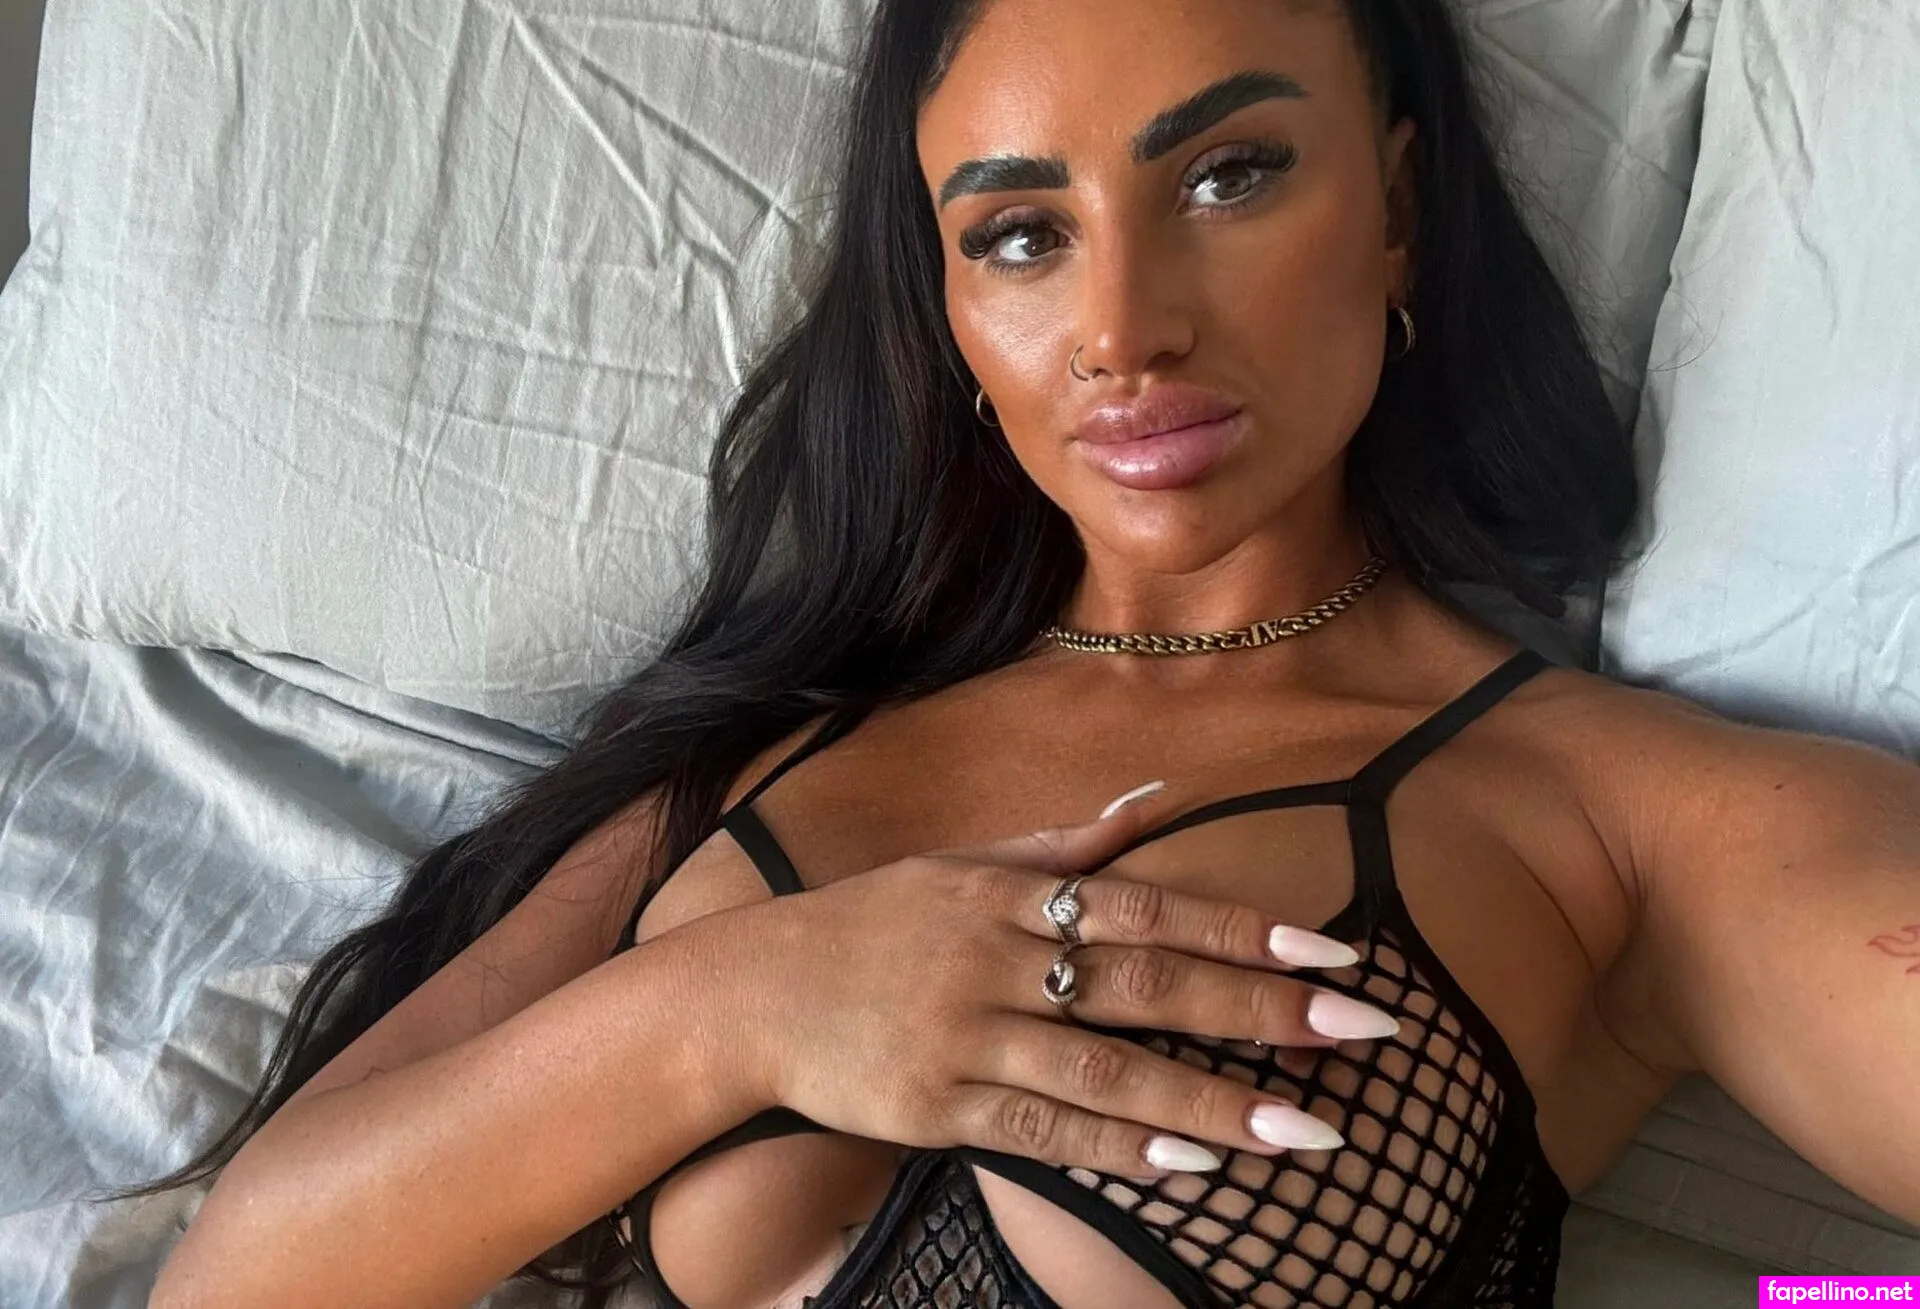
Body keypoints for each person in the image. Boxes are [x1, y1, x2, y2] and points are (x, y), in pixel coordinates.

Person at [132, 1, 1920, 1307]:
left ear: (1395, 209)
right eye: (1020, 235)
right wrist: (746, 1006)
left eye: (1228, 175)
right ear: (951, 311)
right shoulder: (764, 765)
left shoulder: (1627, 810)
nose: (1123, 330)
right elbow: (239, 1279)